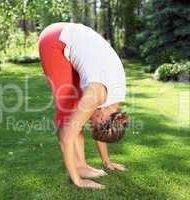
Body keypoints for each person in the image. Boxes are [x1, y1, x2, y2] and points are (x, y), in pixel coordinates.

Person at [38, 22, 127, 189]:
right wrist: (78, 182)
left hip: (78, 37)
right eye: (92, 125)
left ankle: (82, 165)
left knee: (77, 111)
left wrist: (106, 161)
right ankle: (78, 171)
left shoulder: (114, 105)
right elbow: (66, 137)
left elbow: (104, 127)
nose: (89, 124)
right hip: (55, 40)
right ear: (102, 117)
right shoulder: (96, 94)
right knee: (68, 111)